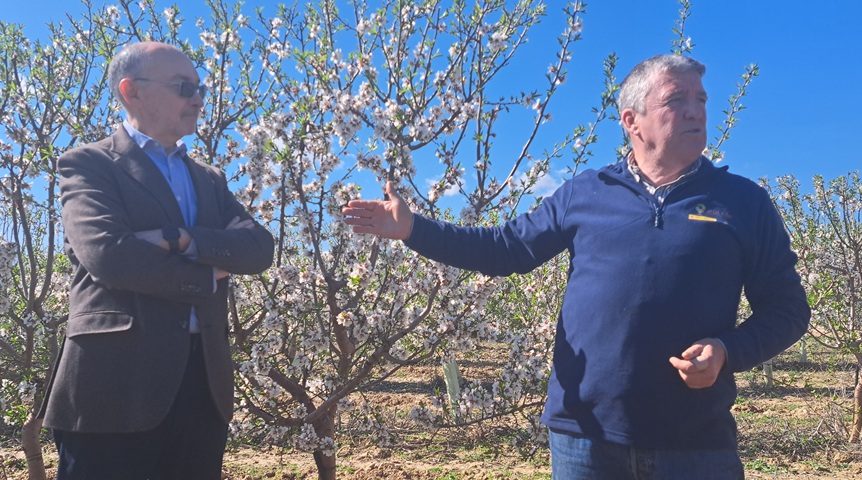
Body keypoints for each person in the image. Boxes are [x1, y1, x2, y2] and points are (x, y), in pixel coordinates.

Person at [342, 54, 810, 479]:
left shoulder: (743, 202)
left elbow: (788, 308)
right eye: (676, 99)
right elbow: (506, 250)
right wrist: (413, 231)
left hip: (694, 443)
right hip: (584, 438)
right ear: (633, 121)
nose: (695, 111)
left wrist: (728, 351)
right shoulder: (586, 192)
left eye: (701, 99)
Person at [39, 41, 274, 479]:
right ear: (132, 91)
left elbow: (259, 249)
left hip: (203, 384)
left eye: (199, 87)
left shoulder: (209, 178)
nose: (198, 98)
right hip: (112, 386)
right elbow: (108, 255)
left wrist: (178, 238)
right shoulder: (89, 164)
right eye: (184, 86)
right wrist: (208, 272)